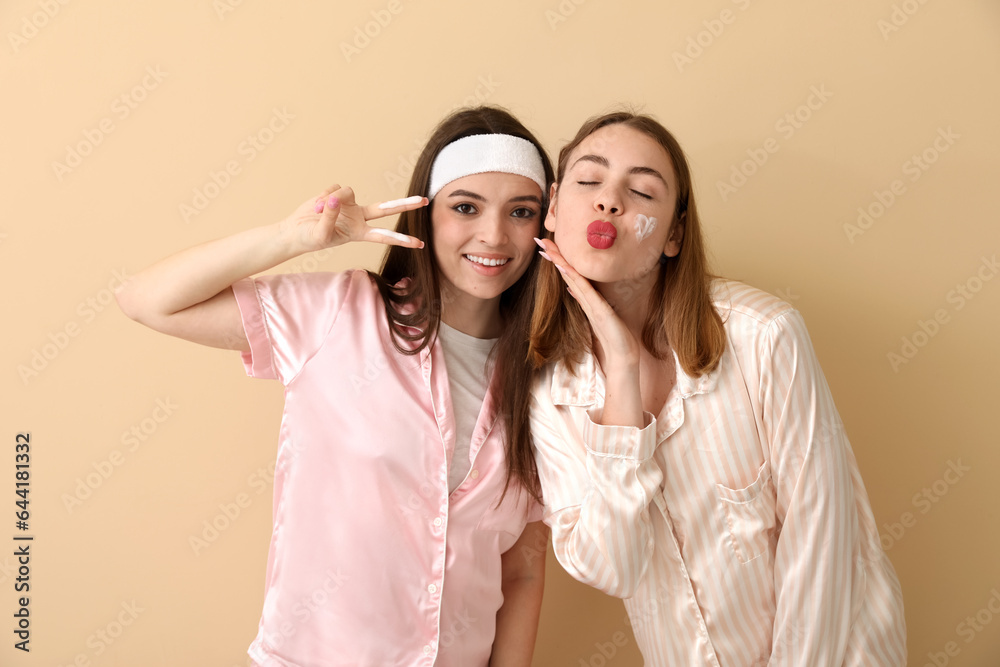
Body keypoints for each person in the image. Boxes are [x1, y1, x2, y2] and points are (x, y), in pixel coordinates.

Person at [115, 106, 554, 666]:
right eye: (465, 207)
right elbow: (145, 300)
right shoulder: (338, 312)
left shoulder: (548, 374)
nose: (494, 235)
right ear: (427, 214)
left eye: (521, 212)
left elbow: (521, 569)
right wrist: (290, 238)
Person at [527, 111, 907, 666]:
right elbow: (614, 567)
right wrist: (622, 368)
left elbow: (821, 540)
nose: (609, 201)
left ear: (675, 234)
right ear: (555, 209)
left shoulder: (765, 336)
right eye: (589, 182)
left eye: (641, 191)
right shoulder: (550, 393)